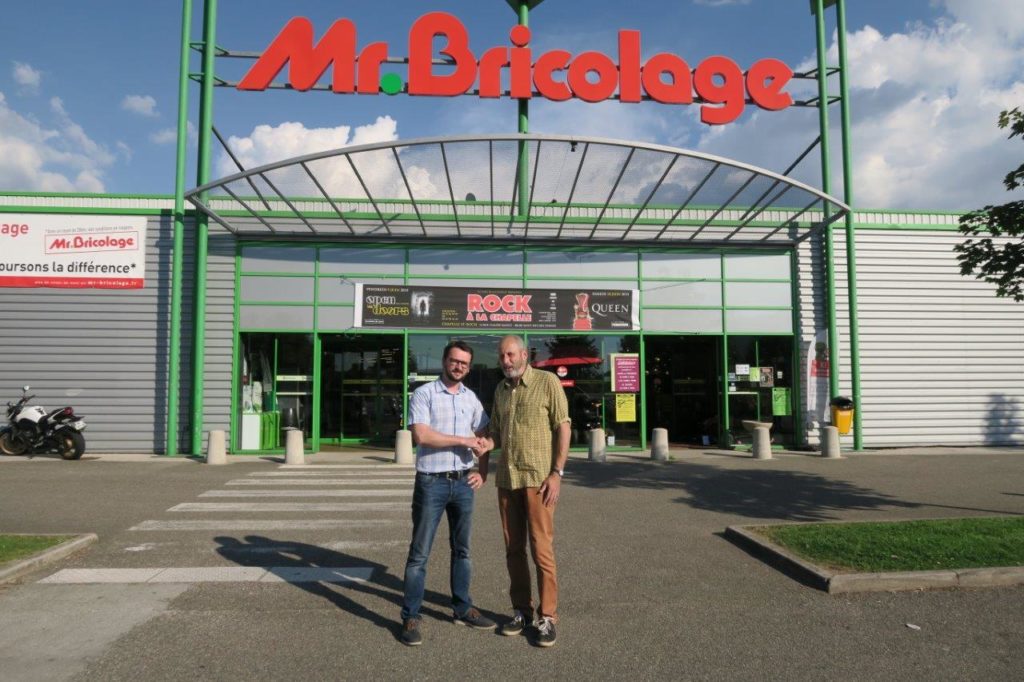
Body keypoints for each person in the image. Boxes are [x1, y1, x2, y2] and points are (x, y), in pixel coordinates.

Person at [399, 340, 495, 646]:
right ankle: (411, 615)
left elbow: (484, 435)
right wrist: (464, 441)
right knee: (419, 554)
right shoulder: (424, 393)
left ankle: (462, 608)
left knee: (462, 550)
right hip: (431, 482)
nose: (459, 367)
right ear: (444, 361)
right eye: (455, 361)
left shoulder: (471, 398)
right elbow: (422, 435)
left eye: (465, 364)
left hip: (463, 483)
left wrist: (483, 470)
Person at [487, 335, 570, 647]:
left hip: (538, 480)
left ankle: (547, 617)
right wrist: (484, 443)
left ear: (524, 354)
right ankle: (522, 610)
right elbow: (495, 432)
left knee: (541, 549)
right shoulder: (500, 389)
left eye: (510, 354)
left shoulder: (547, 382)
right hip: (507, 480)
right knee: (513, 550)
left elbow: (564, 426)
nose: (505, 360)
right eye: (501, 356)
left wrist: (557, 473)